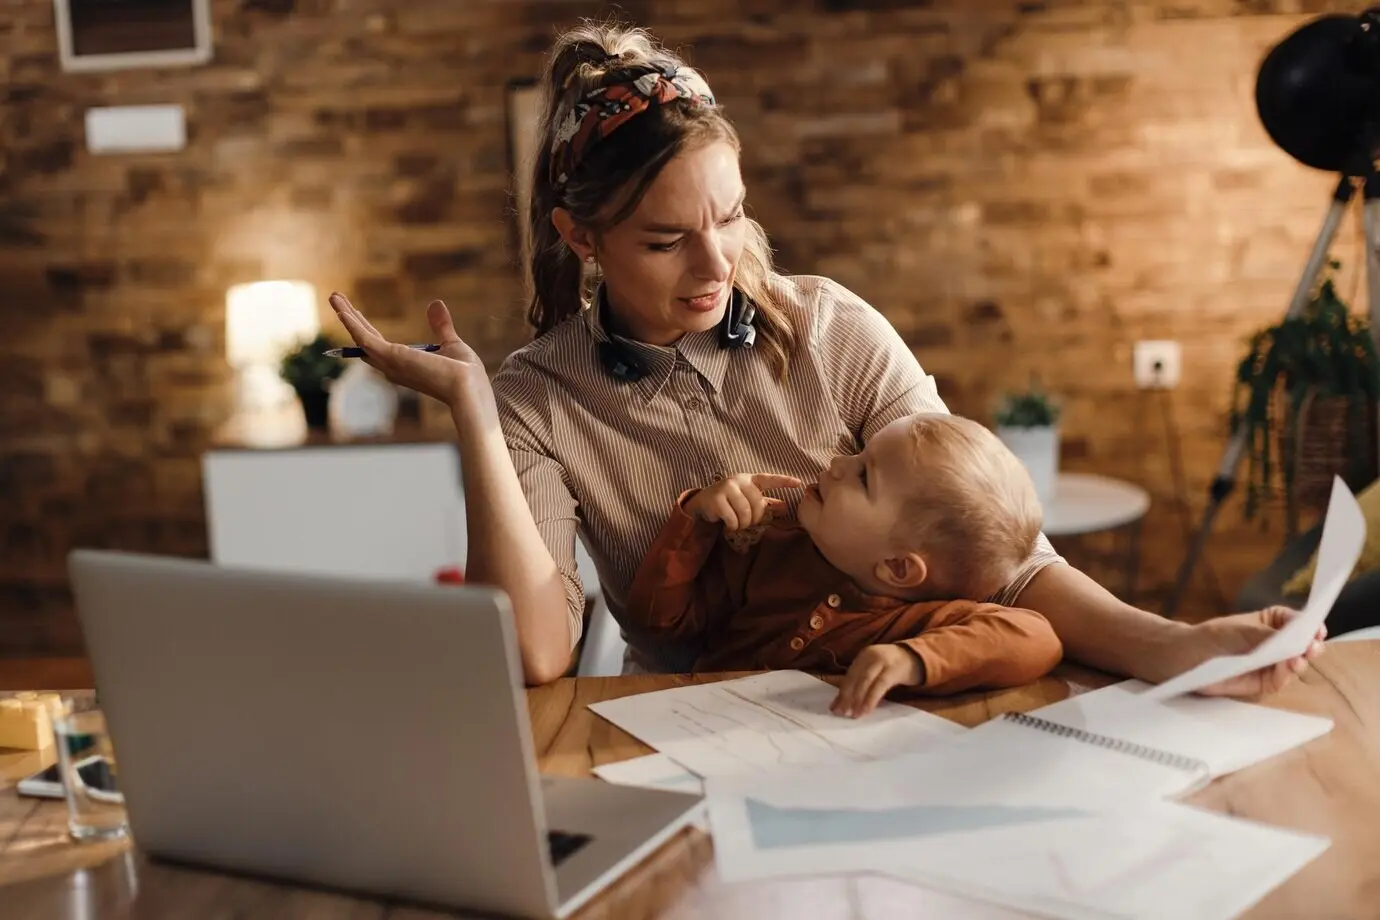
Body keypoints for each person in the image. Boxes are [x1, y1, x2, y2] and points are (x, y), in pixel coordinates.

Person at [326, 19, 1324, 695]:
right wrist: (472, 409)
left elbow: (1002, 554)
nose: (715, 264)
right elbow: (538, 652)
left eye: (729, 216)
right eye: (667, 240)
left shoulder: (831, 326)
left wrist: (1180, 645)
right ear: (581, 238)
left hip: (881, 721)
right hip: (694, 743)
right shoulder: (537, 398)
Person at [626, 412, 1064, 718]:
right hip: (706, 736)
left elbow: (1036, 637)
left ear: (897, 568)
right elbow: (658, 623)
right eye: (858, 455)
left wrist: (912, 660)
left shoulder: (923, 623)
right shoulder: (768, 544)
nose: (836, 463)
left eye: (862, 476)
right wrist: (698, 518)